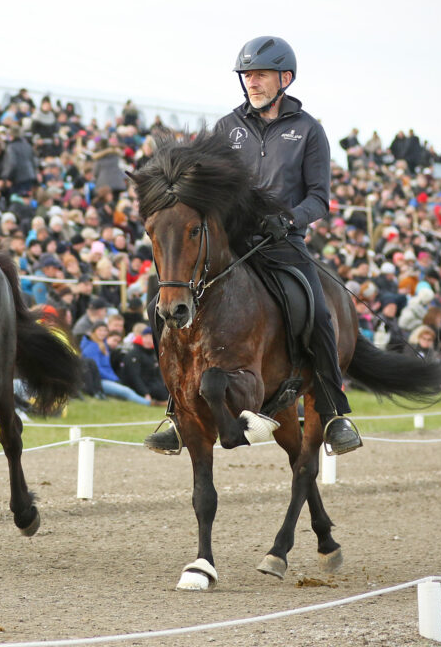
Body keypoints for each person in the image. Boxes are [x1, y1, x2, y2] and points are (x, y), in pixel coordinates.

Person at [145, 36, 363, 456]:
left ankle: (335, 412)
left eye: (259, 75)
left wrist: (290, 219)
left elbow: (319, 197)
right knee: (160, 304)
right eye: (246, 76)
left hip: (283, 242)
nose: (252, 82)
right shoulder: (228, 127)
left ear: (285, 78)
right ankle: (176, 411)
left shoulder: (309, 131)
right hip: (233, 242)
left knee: (317, 311)